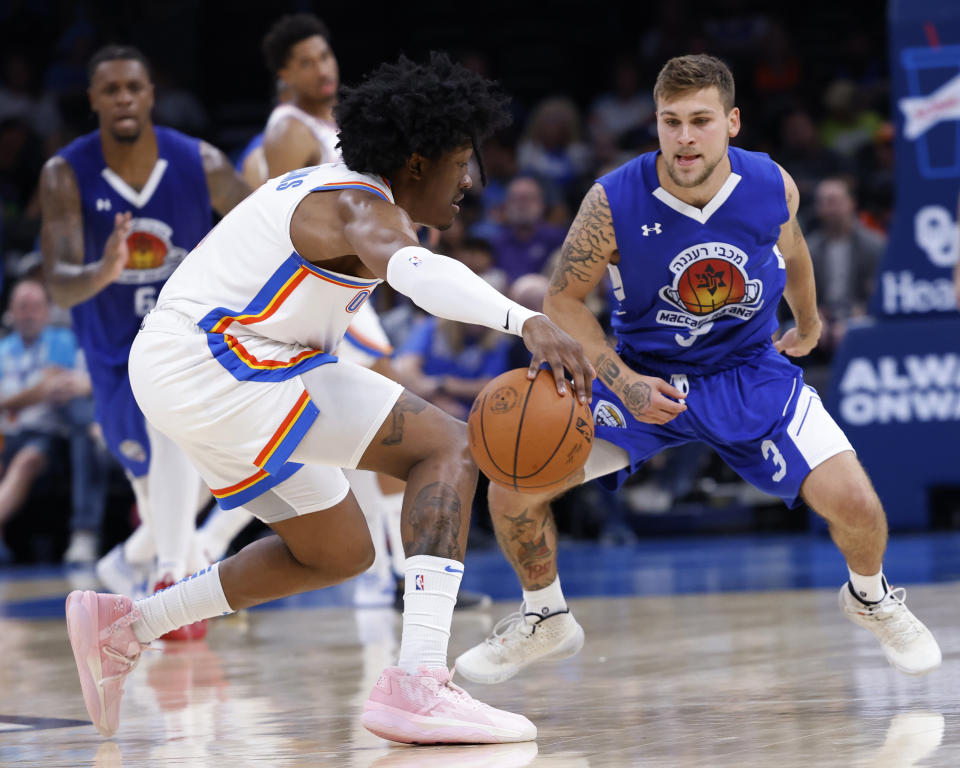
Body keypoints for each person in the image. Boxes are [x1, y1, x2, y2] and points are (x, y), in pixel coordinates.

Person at [64, 52, 593, 744]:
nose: (469, 181)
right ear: (414, 160)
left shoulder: (330, 189)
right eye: (461, 160)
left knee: (337, 551)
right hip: (217, 362)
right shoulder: (356, 205)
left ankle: (127, 625)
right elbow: (417, 274)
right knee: (449, 445)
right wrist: (525, 319)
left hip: (196, 367)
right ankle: (419, 683)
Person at [455, 54, 941, 686]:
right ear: (655, 124)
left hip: (746, 369)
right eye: (671, 121)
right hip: (642, 375)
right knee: (513, 487)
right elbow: (561, 301)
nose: (685, 136)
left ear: (731, 122)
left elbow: (792, 251)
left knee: (857, 503)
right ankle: (545, 616)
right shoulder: (611, 200)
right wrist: (624, 382)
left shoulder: (771, 184)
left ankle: (871, 596)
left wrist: (811, 321)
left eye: (701, 121)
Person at [39, 45, 251, 636]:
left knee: (184, 446)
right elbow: (59, 284)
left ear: (151, 93)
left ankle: (172, 577)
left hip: (190, 343)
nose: (124, 98)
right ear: (94, 100)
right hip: (111, 354)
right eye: (111, 90)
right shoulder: (64, 174)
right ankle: (129, 560)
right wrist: (101, 273)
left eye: (134, 87)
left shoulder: (202, 162)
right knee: (155, 482)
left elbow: (262, 232)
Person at [0, 279, 103, 564]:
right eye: (22, 307)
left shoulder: (60, 340)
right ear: (11, 311)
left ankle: (85, 531)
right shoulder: (3, 347)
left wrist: (9, 401)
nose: (29, 313)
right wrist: (31, 394)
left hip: (47, 435)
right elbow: (41, 388)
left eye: (35, 307)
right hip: (7, 435)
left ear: (47, 311)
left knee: (27, 460)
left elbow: (52, 386)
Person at [262, 13, 340, 177]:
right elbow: (280, 202)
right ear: (285, 75)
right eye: (306, 64)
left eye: (325, 57)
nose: (322, 72)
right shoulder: (288, 130)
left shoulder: (347, 112)